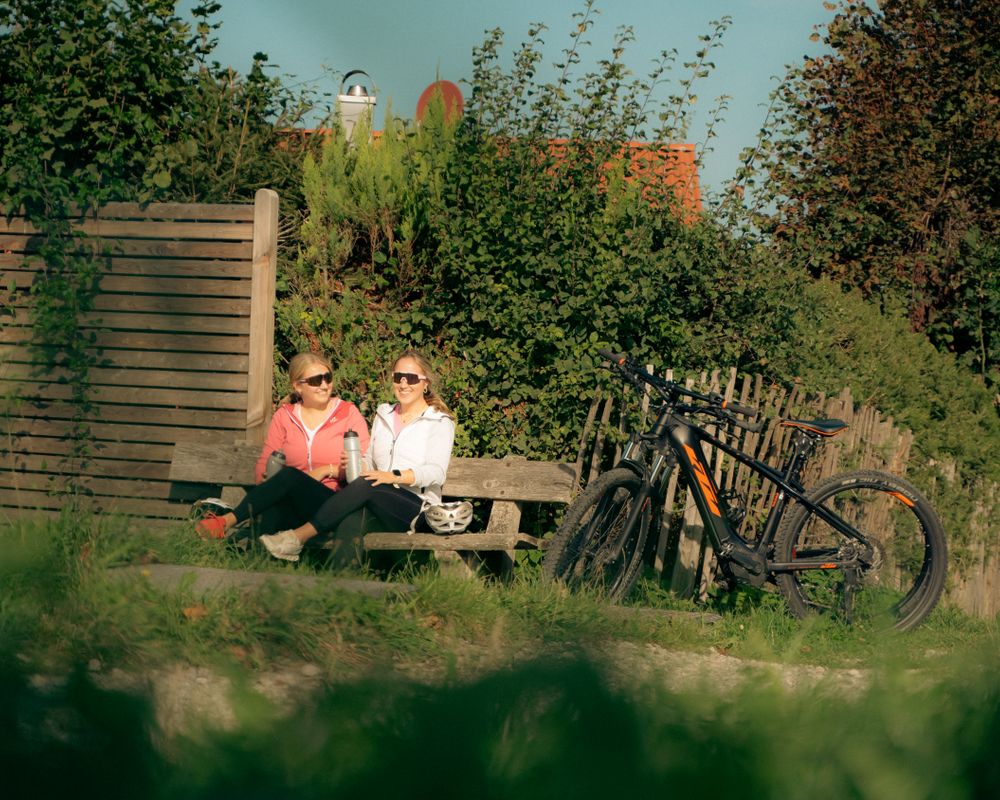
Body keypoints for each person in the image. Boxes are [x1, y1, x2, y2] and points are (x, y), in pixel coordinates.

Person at [257, 349, 456, 562]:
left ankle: (297, 537)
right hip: (377, 499)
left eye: (412, 378)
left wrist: (393, 476)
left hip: (417, 508)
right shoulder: (384, 414)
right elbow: (370, 459)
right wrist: (357, 465)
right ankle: (339, 578)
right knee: (351, 520)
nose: (404, 383)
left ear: (426, 383)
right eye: (399, 377)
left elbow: (436, 473)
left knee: (369, 482)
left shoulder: (440, 422)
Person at [195, 352, 370, 539]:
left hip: (333, 502)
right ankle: (248, 555)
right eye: (316, 381)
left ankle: (226, 521)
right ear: (298, 386)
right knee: (269, 514)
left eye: (327, 378)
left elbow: (365, 463)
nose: (324, 385)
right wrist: (265, 478)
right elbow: (266, 460)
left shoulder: (348, 413)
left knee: (289, 475)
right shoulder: (284, 417)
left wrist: (328, 470)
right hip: (292, 502)